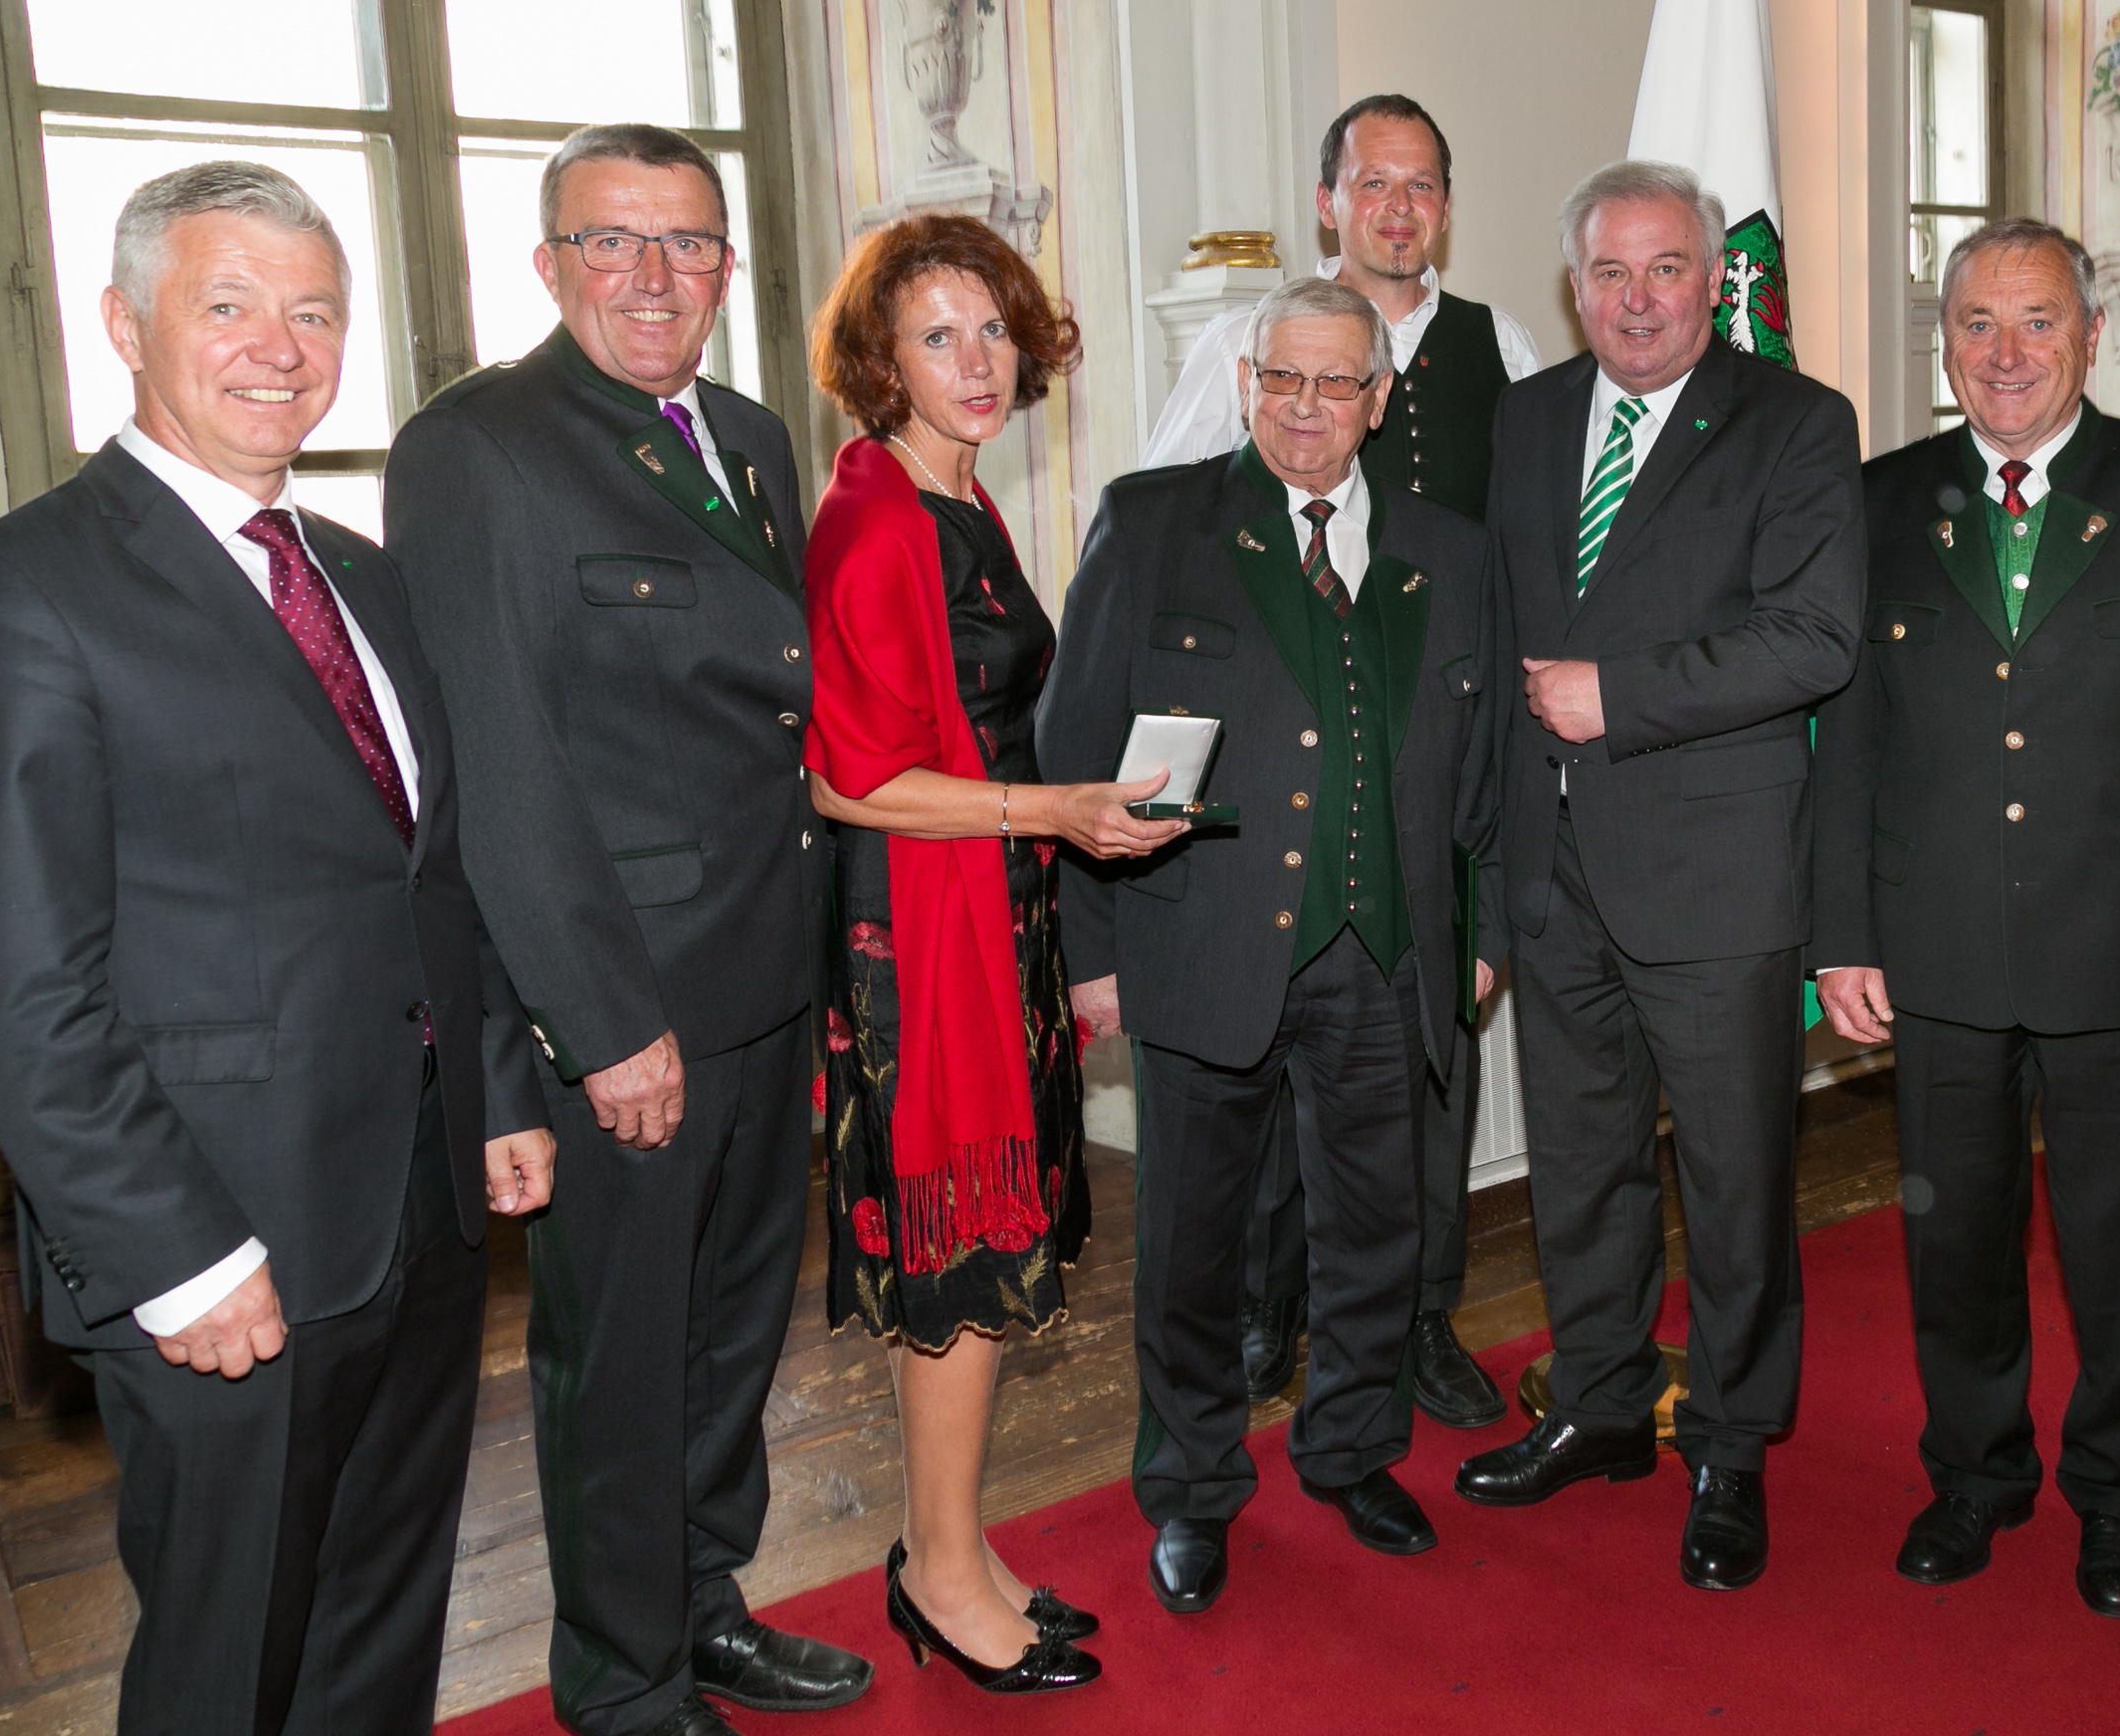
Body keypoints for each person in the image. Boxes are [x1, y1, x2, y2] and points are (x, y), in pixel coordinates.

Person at [0, 162, 554, 1734]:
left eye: (314, 311)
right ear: (124, 325)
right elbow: (15, 988)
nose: (280, 347)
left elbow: (429, 870)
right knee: (227, 1657)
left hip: (418, 1206)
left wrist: (501, 1087)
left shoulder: (359, 573)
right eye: (230, 304)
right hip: (220, 1237)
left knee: (380, 1611)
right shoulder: (13, 591)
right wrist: (178, 1254)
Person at [386, 124, 865, 1736]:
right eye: (613, 240)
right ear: (549, 264)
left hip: (762, 971)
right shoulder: (478, 447)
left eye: (689, 243)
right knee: (623, 1365)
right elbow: (500, 764)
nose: (654, 276)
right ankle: (622, 1681)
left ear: (728, 266)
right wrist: (601, 1026)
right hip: (626, 1008)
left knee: (731, 1338)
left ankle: (703, 1606)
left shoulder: (750, 435)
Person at [1810, 219, 2120, 1618]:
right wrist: (1843, 930)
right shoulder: (1880, 499)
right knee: (1952, 1238)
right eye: (1976, 323)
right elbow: (1850, 738)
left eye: (2036, 322)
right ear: (1943, 343)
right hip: (1937, 942)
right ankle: (1975, 1474)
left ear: (2090, 335)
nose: (2005, 353)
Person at [1038, 276, 1505, 1617]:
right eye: (1282, 379)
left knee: (1378, 1231)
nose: (1307, 407)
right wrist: (1093, 952)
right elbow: (1073, 753)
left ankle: (1352, 1448)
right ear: (1248, 384)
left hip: (1387, 954)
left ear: (1380, 397)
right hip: (1201, 947)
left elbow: (1484, 764)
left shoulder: (1450, 549)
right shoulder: (1154, 522)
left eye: (1336, 382)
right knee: (1194, 1243)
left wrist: (1477, 934)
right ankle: (1190, 1487)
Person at [1456, 160, 1865, 1593]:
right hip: (1555, 867)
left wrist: (1615, 697)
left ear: (1712, 277)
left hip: (1714, 873)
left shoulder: (1797, 422)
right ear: (1576, 287)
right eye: (1611, 273)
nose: (1638, 301)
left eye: (1667, 268)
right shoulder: (1527, 419)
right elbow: (1496, 624)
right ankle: (1602, 1403)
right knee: (1580, 1165)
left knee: (1737, 1182)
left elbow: (1815, 636)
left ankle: (1735, 1446)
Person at [803, 214, 1182, 1692]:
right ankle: (942, 1578)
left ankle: (946, 1546)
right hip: (918, 942)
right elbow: (850, 777)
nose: (976, 362)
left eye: (994, 330)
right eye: (936, 337)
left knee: (986, 1252)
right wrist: (1056, 811)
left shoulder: (956, 499)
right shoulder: (876, 519)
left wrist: (1075, 812)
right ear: (880, 363)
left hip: (990, 909)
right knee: (958, 1261)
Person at [1141, 94, 1539, 1426]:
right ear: (1330, 201)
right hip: (1281, 761)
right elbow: (1166, 531)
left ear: (1446, 206)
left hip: (1430, 756)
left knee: (1424, 1078)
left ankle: (1418, 1318)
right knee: (1270, 1063)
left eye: (1421, 184)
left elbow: (1520, 552)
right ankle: (1272, 1311)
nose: (1397, 207)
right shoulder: (1251, 347)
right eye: (1373, 181)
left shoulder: (1502, 346)